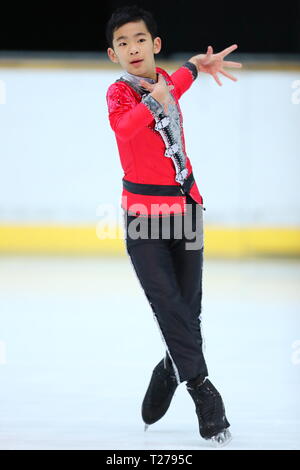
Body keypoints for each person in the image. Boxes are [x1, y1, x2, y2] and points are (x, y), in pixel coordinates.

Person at [105, 4, 242, 447]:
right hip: (143, 219)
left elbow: (183, 77)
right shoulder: (119, 92)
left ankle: (169, 365)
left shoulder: (167, 80)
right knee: (168, 306)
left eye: (139, 39)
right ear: (114, 54)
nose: (132, 48)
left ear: (154, 44)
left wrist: (196, 65)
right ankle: (202, 390)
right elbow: (126, 129)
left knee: (189, 312)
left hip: (187, 209)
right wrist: (158, 98)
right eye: (122, 43)